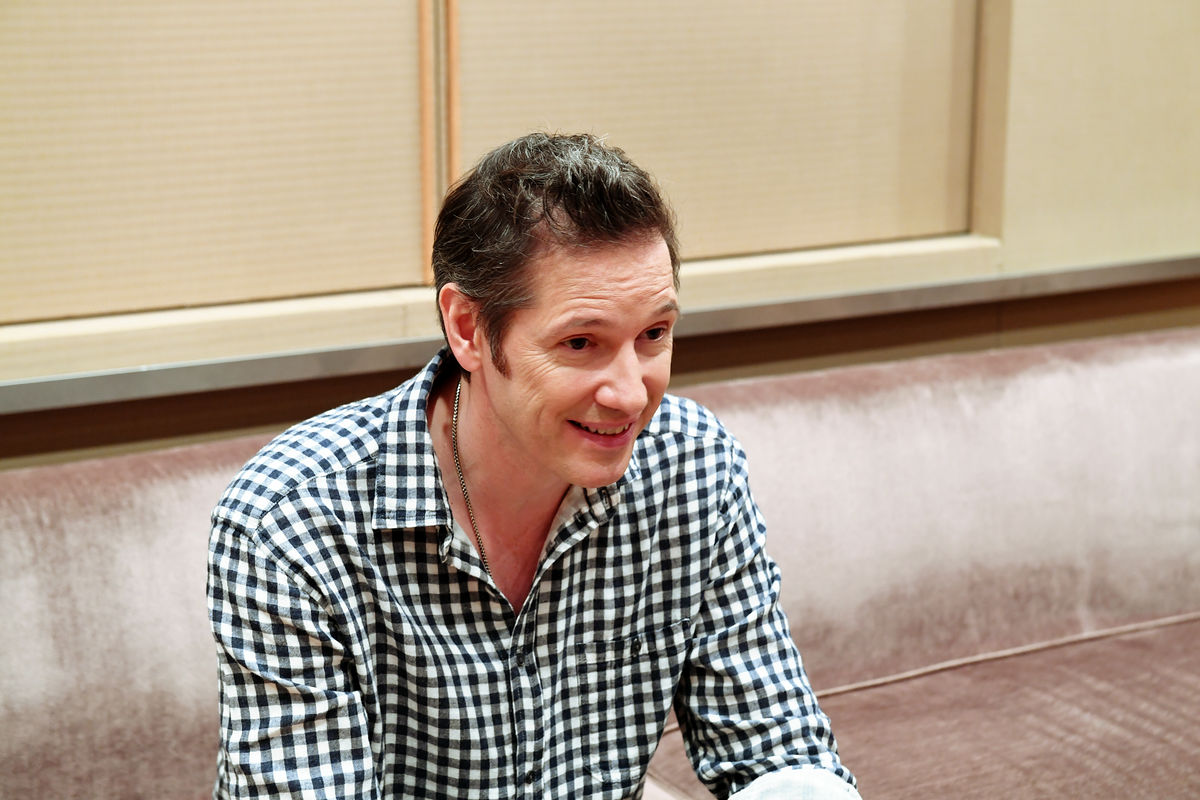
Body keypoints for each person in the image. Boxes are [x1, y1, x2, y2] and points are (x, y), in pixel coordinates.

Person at [208, 132, 860, 799]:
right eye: (581, 342)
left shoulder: (692, 465)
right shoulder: (291, 521)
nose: (632, 394)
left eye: (654, 335)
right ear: (467, 328)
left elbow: (778, 750)